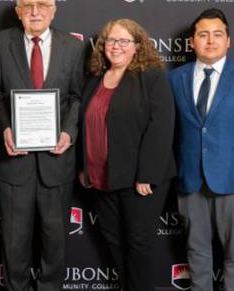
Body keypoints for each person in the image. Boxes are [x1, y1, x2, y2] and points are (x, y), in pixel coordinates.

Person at [0, 0, 85, 290]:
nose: (35, 11)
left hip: (58, 163)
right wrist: (4, 127)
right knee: (14, 244)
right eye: (28, 6)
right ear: (18, 13)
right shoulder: (0, 44)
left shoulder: (73, 46)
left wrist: (69, 132)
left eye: (42, 5)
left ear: (53, 11)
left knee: (55, 243)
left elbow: (76, 97)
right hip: (15, 163)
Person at [169, 8, 234, 291]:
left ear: (229, 41)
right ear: (192, 41)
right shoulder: (175, 79)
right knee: (197, 255)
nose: (210, 40)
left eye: (217, 34)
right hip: (190, 182)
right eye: (203, 34)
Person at [78, 18, 176, 291]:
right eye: (111, 40)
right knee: (114, 242)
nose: (116, 46)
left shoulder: (152, 76)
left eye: (124, 41)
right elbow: (88, 125)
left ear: (137, 46)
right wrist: (84, 167)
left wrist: (147, 174)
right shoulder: (95, 78)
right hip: (101, 178)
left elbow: (161, 126)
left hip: (139, 180)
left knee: (138, 244)